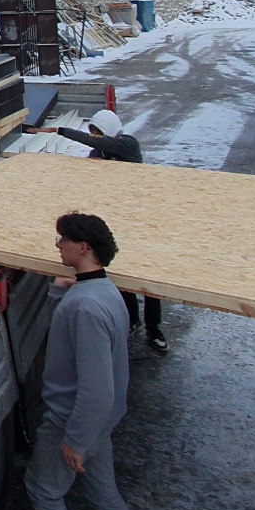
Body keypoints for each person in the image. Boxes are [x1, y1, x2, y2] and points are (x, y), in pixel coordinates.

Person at [24, 212, 142, 510]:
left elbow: (97, 388)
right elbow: (74, 335)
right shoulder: (103, 291)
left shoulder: (86, 308)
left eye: (64, 239)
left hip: (72, 422)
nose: (58, 244)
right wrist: (60, 293)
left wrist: (76, 440)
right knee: (104, 495)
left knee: (43, 491)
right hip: (98, 423)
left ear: (84, 247)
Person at [33, 110, 165, 353]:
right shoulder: (98, 153)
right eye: (92, 132)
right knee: (122, 272)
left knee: (148, 278)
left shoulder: (127, 144)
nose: (94, 137)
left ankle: (154, 328)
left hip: (140, 214)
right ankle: (132, 320)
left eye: (98, 132)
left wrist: (60, 131)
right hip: (116, 216)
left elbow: (101, 143)